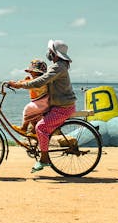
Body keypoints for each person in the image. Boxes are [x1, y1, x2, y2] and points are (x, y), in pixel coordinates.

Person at [9, 39, 77, 172]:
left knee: (41, 127)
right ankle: (36, 140)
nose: (48, 53)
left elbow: (40, 81)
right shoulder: (60, 66)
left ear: (55, 54)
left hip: (63, 108)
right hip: (58, 105)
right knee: (35, 117)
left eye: (50, 51)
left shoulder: (58, 67)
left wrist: (20, 85)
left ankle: (44, 159)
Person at [13, 59, 50, 135]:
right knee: (34, 119)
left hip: (42, 102)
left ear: (37, 72)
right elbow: (29, 83)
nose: (30, 73)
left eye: (31, 71)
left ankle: (24, 127)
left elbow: (30, 84)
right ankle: (34, 134)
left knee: (28, 109)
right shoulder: (40, 79)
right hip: (40, 102)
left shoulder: (39, 81)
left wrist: (18, 84)